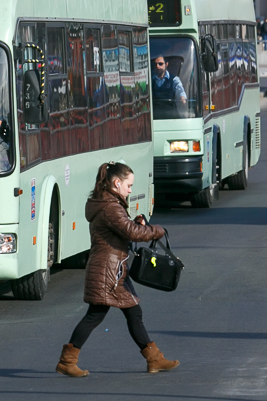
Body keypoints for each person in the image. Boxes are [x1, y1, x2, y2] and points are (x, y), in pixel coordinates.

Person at [55, 162, 177, 379]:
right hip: (108, 271)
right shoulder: (110, 207)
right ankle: (67, 361)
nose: (130, 190)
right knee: (97, 315)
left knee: (131, 313)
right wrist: (155, 230)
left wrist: (136, 224)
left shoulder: (106, 203)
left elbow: (123, 229)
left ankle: (154, 359)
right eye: (128, 185)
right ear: (116, 182)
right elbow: (131, 232)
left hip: (112, 269)